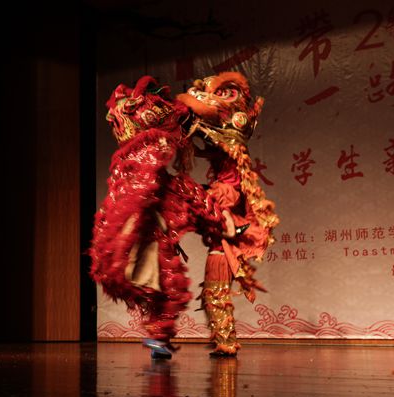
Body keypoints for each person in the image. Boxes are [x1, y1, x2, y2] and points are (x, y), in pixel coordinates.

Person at [89, 76, 224, 359]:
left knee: (167, 287)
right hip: (145, 229)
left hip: (152, 225)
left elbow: (172, 189)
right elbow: (142, 188)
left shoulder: (145, 165)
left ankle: (159, 336)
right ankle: (158, 335)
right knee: (169, 285)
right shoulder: (142, 158)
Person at [177, 71, 280, 356]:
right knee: (214, 294)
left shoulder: (231, 172)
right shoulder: (226, 166)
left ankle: (226, 342)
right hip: (222, 232)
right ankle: (224, 340)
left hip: (224, 238)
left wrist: (207, 199)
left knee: (216, 293)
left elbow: (228, 193)